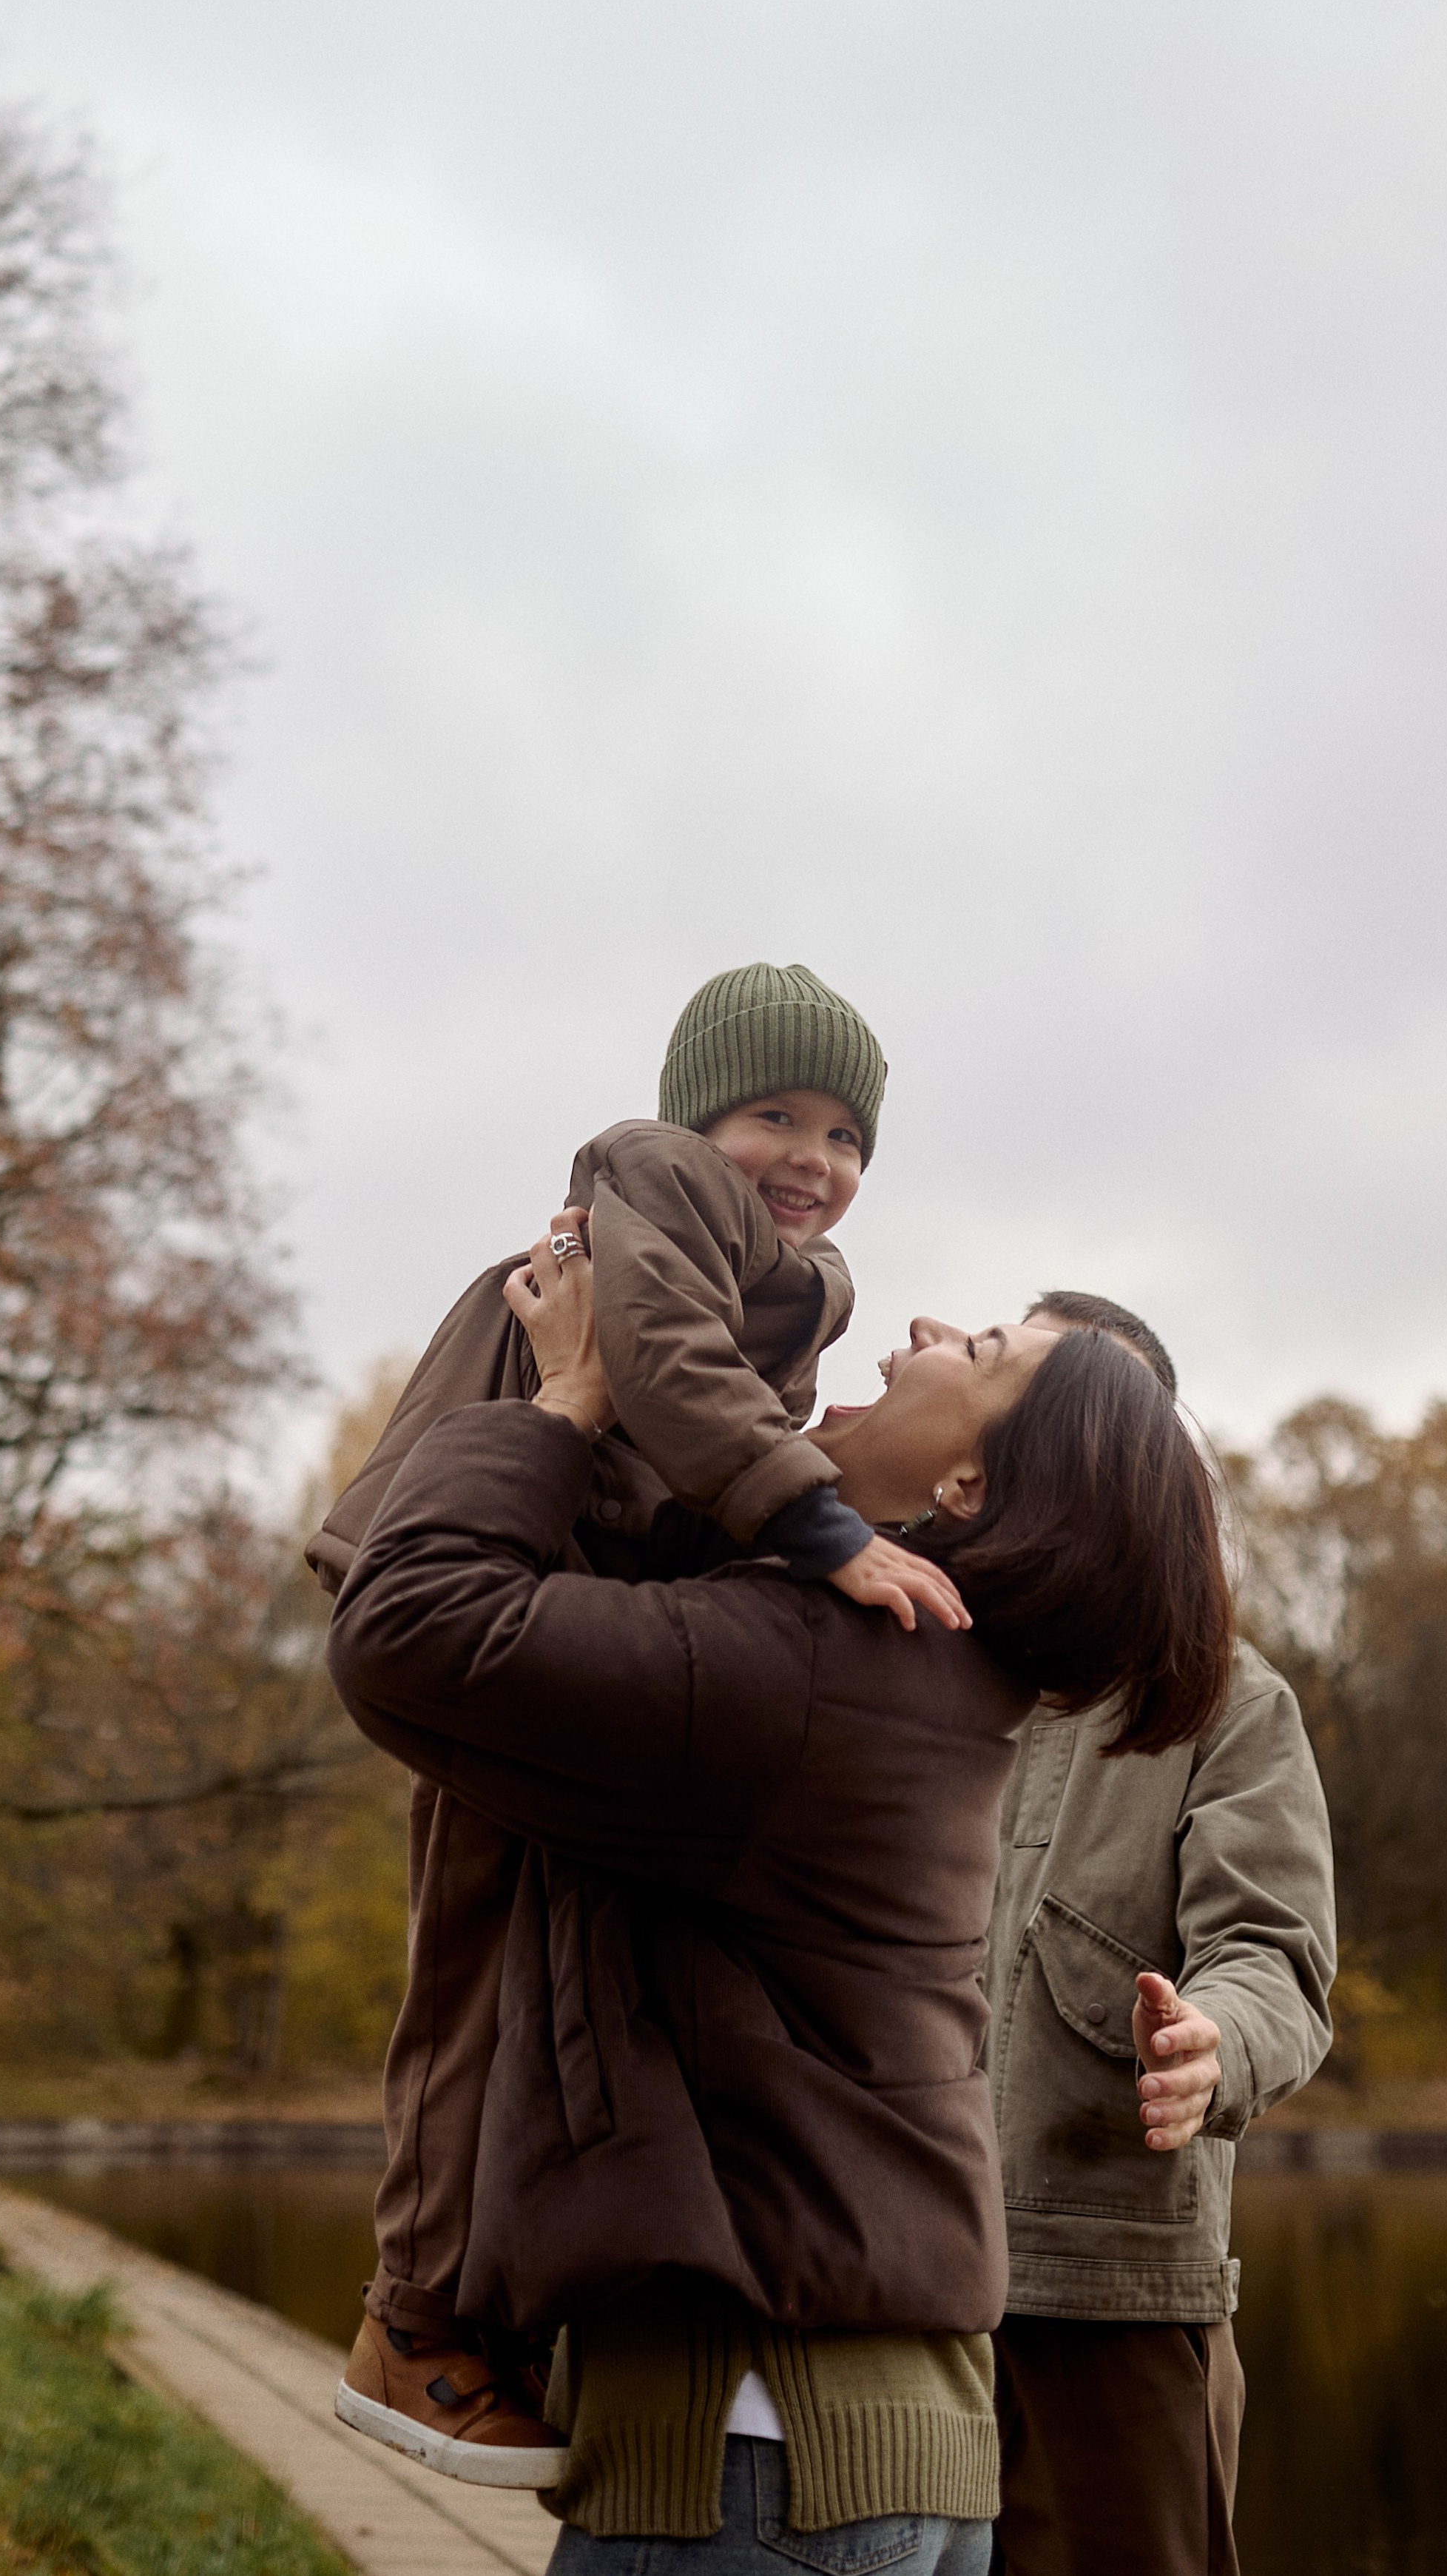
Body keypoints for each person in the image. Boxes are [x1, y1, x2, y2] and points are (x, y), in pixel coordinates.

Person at [323, 1236, 1239, 2569]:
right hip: (883, 2461)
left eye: (977, 1351)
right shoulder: (911, 1671)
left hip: (752, 2462)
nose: (925, 1327)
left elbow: (402, 1628)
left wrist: (570, 1400)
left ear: (969, 1482)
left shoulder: (807, 1673)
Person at [311, 963, 967, 2481]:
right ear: (697, 1117)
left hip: (558, 1601)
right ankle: (407, 2318)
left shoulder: (795, 1275)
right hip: (472, 1575)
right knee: (472, 1969)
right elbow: (658, 1373)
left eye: (844, 1134)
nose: (812, 1156)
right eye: (772, 1115)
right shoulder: (649, 1183)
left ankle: (493, 2314)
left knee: (538, 1973)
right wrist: (817, 1531)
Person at [984, 1291, 1338, 2576]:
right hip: (884, 2297)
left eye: (1097, 1401)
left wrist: (1211, 2043)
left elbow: (1276, 1960)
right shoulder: (911, 1660)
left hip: (1111, 2304)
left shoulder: (1229, 1701)